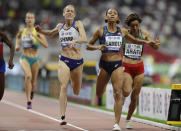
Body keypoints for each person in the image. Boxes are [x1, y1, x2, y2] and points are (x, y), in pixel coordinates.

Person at [86, 8, 156, 131]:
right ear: (106, 17)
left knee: (118, 93)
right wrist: (98, 47)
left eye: (115, 13)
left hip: (118, 64)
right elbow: (88, 45)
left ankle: (117, 124)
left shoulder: (122, 31)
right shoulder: (100, 30)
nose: (112, 15)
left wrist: (149, 42)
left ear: (118, 18)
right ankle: (113, 101)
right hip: (104, 64)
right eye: (110, 13)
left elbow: (135, 40)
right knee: (99, 92)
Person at [35, 4, 87, 125]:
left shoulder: (78, 24)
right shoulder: (60, 26)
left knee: (76, 90)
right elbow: (50, 33)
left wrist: (75, 41)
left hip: (78, 62)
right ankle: (63, 117)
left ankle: (71, 95)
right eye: (67, 11)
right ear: (63, 14)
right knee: (63, 86)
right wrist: (41, 31)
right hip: (64, 59)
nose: (69, 12)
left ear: (74, 14)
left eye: (71, 11)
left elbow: (84, 38)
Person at [121, 13, 160, 129]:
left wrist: (156, 45)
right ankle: (121, 96)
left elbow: (154, 46)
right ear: (129, 25)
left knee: (135, 95)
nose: (135, 28)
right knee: (127, 92)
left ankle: (128, 119)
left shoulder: (144, 34)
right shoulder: (125, 34)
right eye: (132, 26)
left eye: (137, 25)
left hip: (139, 67)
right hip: (127, 66)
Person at [15, 12, 48, 109]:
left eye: (31, 18)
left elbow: (46, 45)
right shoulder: (22, 31)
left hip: (35, 59)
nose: (29, 19)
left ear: (34, 20)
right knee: (28, 76)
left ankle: (32, 90)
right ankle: (29, 101)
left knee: (33, 82)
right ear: (25, 20)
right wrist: (17, 45)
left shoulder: (38, 32)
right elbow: (17, 38)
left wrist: (36, 36)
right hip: (24, 57)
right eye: (28, 18)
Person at [0, 31, 14, 101]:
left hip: (1, 65)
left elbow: (11, 46)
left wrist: (10, 60)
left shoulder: (1, 35)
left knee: (1, 93)